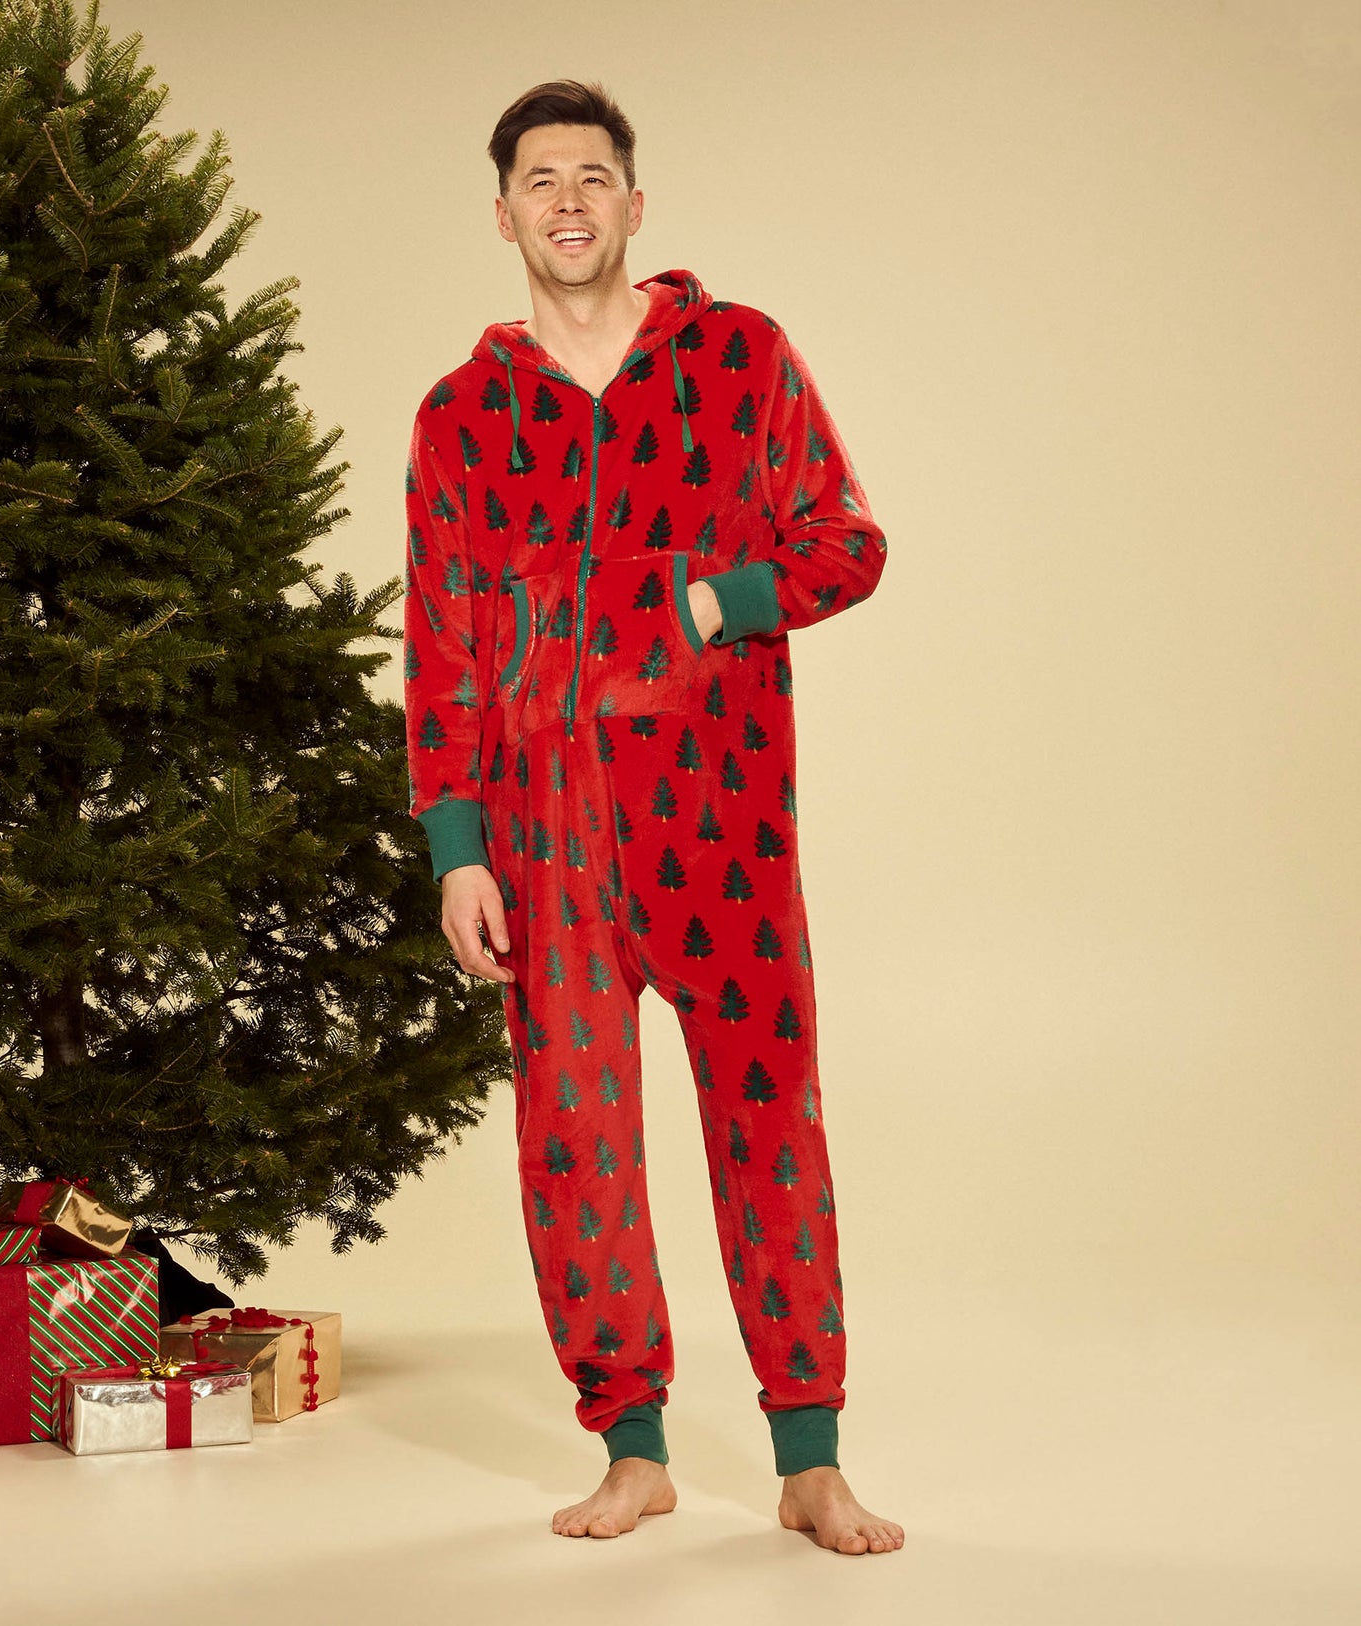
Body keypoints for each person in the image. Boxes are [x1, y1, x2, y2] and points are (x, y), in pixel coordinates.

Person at [402, 78, 903, 1557]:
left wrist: (719, 600)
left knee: (769, 1124)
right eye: (540, 181)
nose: (568, 201)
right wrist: (457, 849)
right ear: (504, 217)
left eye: (592, 176)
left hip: (721, 816)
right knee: (575, 1143)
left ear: (634, 202)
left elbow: (847, 540)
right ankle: (634, 1448)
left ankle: (809, 1457)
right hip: (542, 839)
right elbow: (441, 648)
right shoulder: (461, 417)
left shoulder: (740, 359)